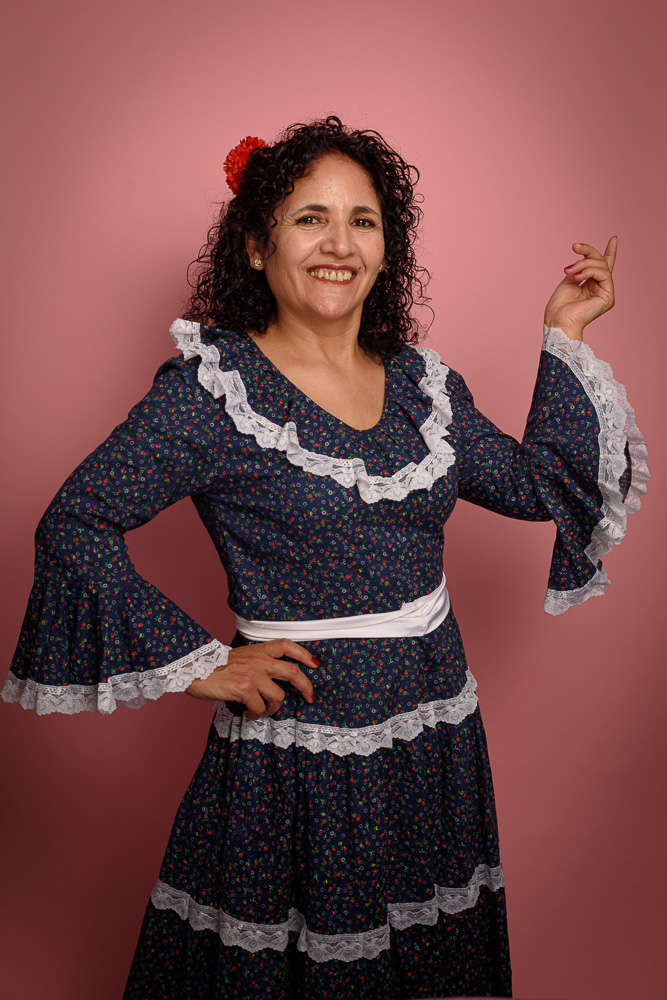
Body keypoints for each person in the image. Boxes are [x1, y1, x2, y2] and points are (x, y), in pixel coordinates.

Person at [2, 117, 649, 1000]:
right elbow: (74, 523)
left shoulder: (424, 386)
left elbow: (539, 489)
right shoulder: (212, 392)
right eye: (311, 219)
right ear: (256, 244)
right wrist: (201, 665)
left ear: (386, 250)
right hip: (300, 755)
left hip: (432, 738)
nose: (339, 244)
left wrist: (563, 330)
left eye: (362, 221)